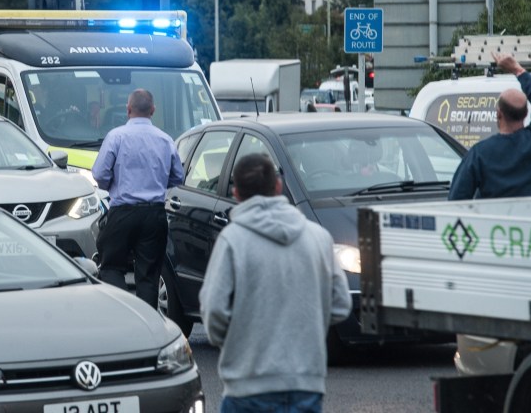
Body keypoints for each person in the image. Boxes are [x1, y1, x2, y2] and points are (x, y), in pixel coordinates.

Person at [199, 153, 351, 413]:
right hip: (306, 384)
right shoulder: (318, 236)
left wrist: (234, 342)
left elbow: (214, 311)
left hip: (247, 385)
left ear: (236, 193)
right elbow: (340, 305)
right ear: (278, 186)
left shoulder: (233, 240)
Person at [91, 88, 183, 308]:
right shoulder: (165, 140)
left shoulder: (116, 136)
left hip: (122, 212)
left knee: (111, 267)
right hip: (154, 215)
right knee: (149, 275)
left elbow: (99, 174)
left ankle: (124, 311)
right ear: (153, 110)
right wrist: (156, 183)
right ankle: (147, 323)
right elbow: (178, 177)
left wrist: (113, 185)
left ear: (128, 109)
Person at [448, 53, 531, 200]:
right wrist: (518, 71)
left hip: (494, 222)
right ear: (526, 115)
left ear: (498, 114)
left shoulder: (480, 154)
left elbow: (457, 201)